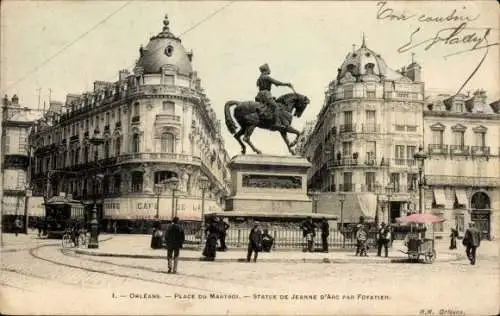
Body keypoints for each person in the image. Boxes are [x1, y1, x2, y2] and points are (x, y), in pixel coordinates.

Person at [255, 63, 293, 130]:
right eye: (269, 69)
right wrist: (286, 84)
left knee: (269, 107)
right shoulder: (266, 77)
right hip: (266, 94)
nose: (270, 70)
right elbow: (276, 83)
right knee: (276, 106)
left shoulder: (259, 78)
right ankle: (277, 123)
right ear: (266, 70)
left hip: (260, 95)